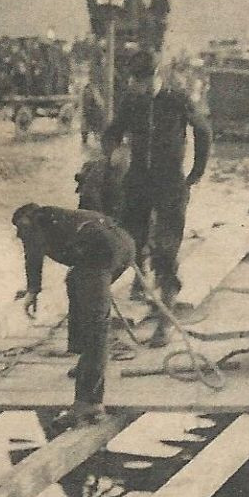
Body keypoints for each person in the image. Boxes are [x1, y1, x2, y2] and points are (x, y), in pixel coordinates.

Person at [101, 49, 210, 310]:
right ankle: (139, 281)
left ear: (155, 76)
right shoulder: (131, 102)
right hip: (138, 179)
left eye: (146, 81)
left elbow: (203, 132)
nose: (142, 87)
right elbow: (110, 134)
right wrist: (114, 150)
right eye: (138, 82)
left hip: (170, 181)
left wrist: (196, 172)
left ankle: (166, 304)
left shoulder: (176, 99)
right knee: (131, 235)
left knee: (167, 244)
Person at [12, 203, 136, 425]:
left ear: (26, 223)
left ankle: (89, 403)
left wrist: (33, 290)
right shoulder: (55, 217)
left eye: (21, 232)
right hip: (122, 245)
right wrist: (33, 289)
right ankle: (83, 360)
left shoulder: (35, 225)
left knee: (96, 327)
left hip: (100, 255)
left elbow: (33, 255)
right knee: (74, 281)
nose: (21, 237)